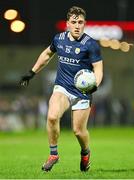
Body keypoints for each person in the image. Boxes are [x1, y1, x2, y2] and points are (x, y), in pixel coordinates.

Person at [20, 6, 103, 172]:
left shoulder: (91, 45)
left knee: (78, 132)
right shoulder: (59, 39)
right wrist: (31, 72)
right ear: (68, 24)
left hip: (82, 92)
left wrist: (95, 85)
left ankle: (85, 153)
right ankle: (53, 154)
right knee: (51, 116)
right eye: (74, 22)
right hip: (62, 87)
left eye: (80, 22)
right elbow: (46, 55)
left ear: (85, 24)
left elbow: (98, 68)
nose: (77, 26)